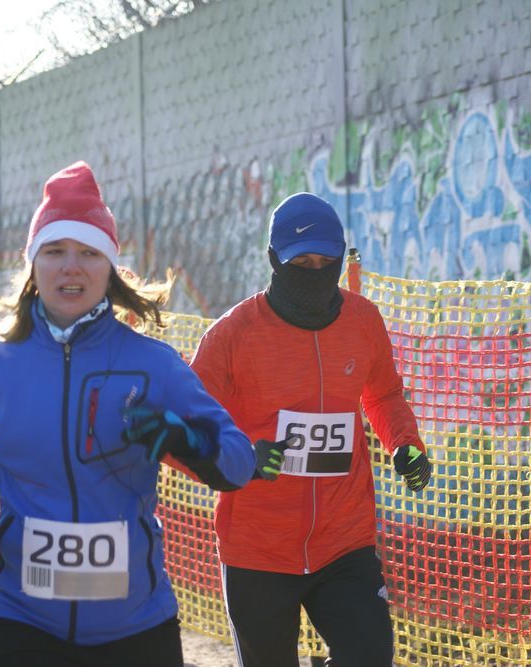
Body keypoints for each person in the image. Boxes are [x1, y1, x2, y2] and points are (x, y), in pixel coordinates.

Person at [0, 161, 256, 667]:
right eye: (54, 251)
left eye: (89, 252)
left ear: (110, 267)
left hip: (137, 627)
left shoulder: (154, 364)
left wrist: (189, 438)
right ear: (33, 266)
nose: (71, 266)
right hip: (19, 623)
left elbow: (239, 462)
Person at [190, 192, 433, 667]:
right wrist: (239, 458)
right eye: (302, 263)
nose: (316, 271)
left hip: (344, 542)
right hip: (257, 549)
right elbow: (188, 423)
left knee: (369, 657)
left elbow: (383, 394)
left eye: (327, 262)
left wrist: (404, 443)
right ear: (274, 261)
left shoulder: (363, 321)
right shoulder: (233, 334)